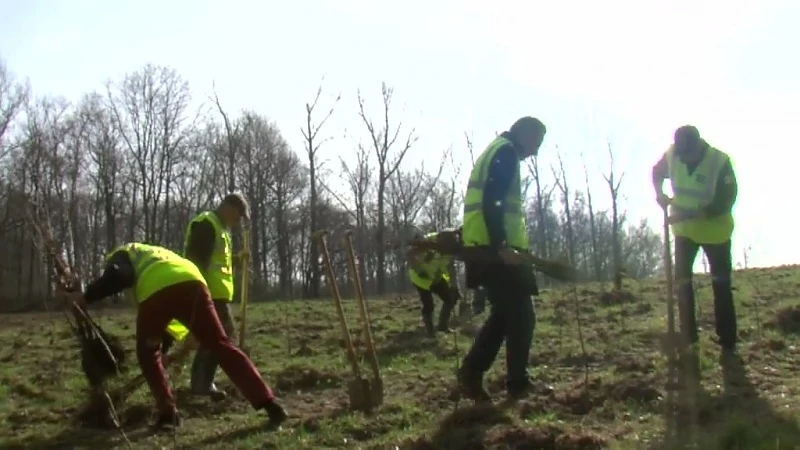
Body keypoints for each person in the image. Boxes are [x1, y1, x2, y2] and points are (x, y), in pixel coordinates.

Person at [62, 243, 288, 430]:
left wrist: (87, 296)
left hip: (158, 291)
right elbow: (171, 327)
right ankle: (270, 404)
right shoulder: (159, 255)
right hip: (195, 284)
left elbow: (120, 275)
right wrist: (165, 350)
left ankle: (168, 414)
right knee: (221, 344)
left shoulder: (124, 253)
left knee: (147, 353)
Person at [456, 116, 546, 402]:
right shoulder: (505, 152)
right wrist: (502, 245)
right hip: (494, 251)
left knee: (505, 316)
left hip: (485, 248)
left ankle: (472, 373)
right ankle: (515, 383)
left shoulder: (495, 150)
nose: (536, 151)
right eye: (537, 142)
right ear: (525, 134)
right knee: (522, 316)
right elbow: (492, 200)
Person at [652, 125, 738, 352]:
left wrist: (703, 213)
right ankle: (688, 337)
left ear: (698, 146)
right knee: (683, 283)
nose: (685, 159)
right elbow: (657, 171)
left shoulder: (719, 162)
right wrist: (660, 193)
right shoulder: (674, 155)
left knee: (720, 285)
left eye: (688, 154)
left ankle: (727, 341)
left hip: (715, 232)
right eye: (682, 155)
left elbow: (729, 196)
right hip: (684, 231)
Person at [184, 193, 249, 399]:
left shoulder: (222, 230)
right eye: (238, 216)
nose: (238, 221)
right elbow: (196, 262)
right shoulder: (206, 224)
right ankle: (202, 384)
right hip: (206, 293)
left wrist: (238, 260)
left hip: (217, 295)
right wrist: (197, 296)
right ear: (228, 208)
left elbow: (218, 262)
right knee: (221, 336)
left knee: (216, 337)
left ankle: (202, 383)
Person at [407, 229, 460, 337]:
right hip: (421, 278)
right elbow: (410, 254)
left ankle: (442, 326)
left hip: (436, 277)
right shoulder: (427, 241)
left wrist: (453, 284)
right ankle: (430, 333)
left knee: (451, 298)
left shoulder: (452, 246)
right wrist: (419, 270)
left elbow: (451, 267)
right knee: (429, 305)